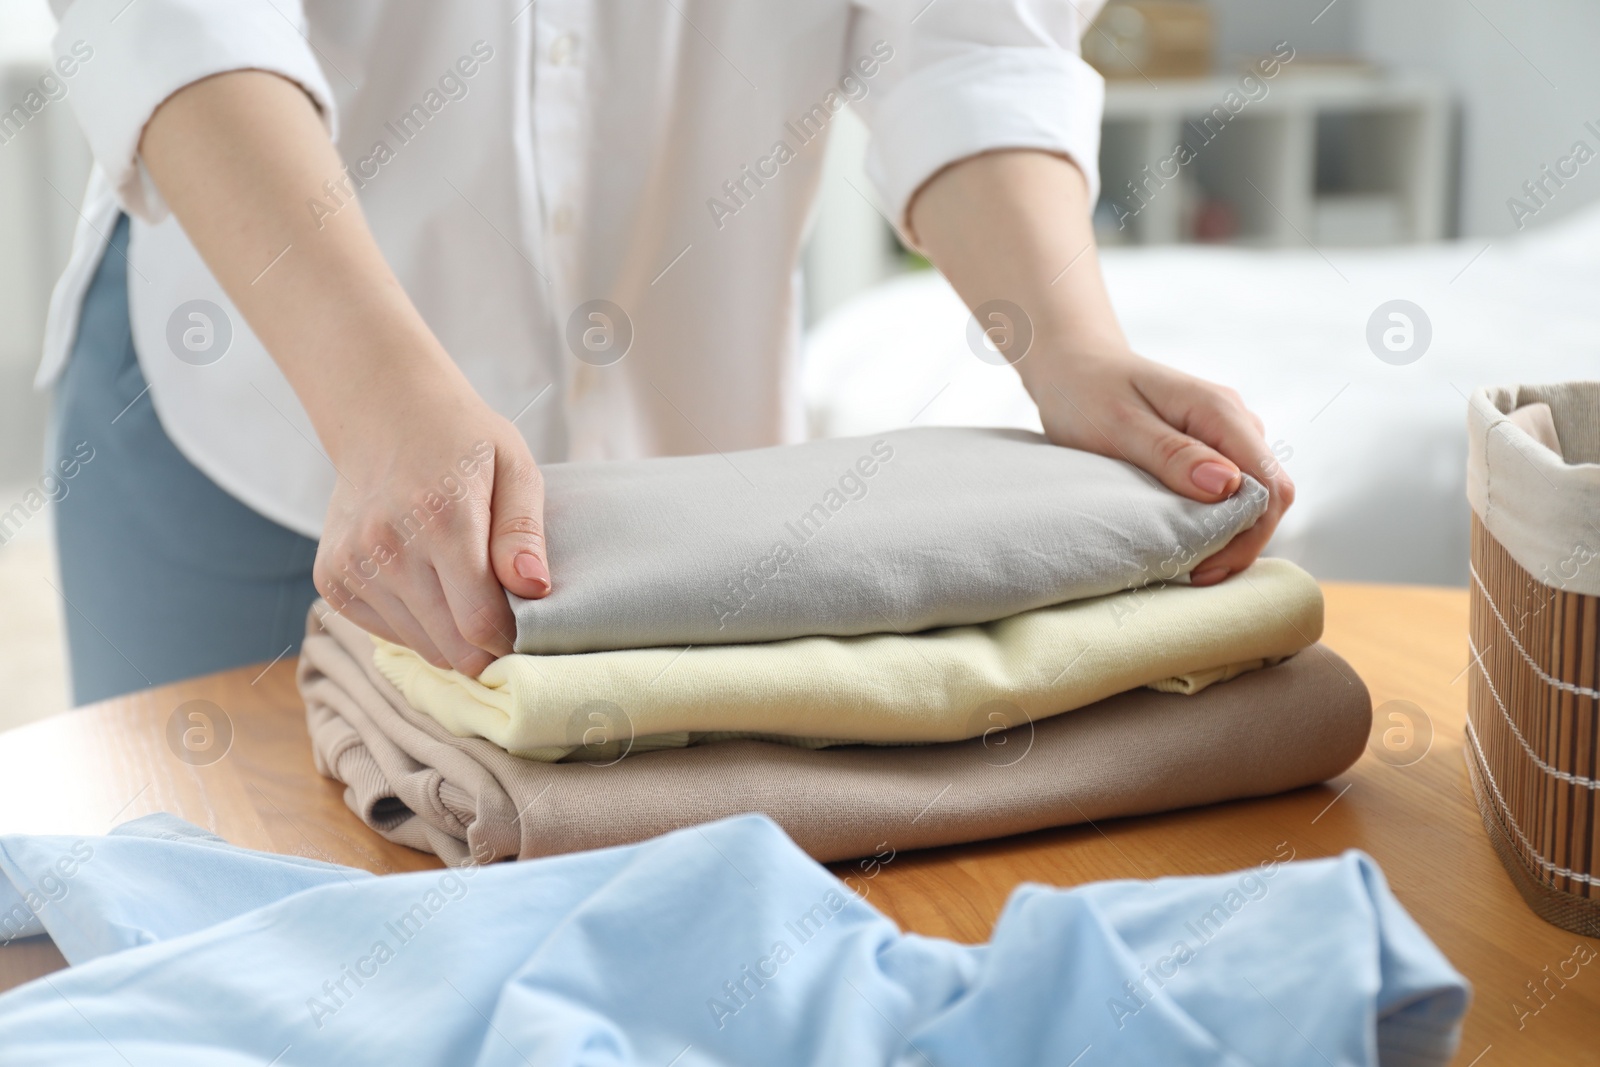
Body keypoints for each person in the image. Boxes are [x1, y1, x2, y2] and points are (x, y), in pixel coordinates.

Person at [41, 0, 1292, 705]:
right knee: (206, 943)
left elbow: (966, 40)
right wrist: (378, 400)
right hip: (250, 402)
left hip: (685, 456)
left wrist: (1069, 344)